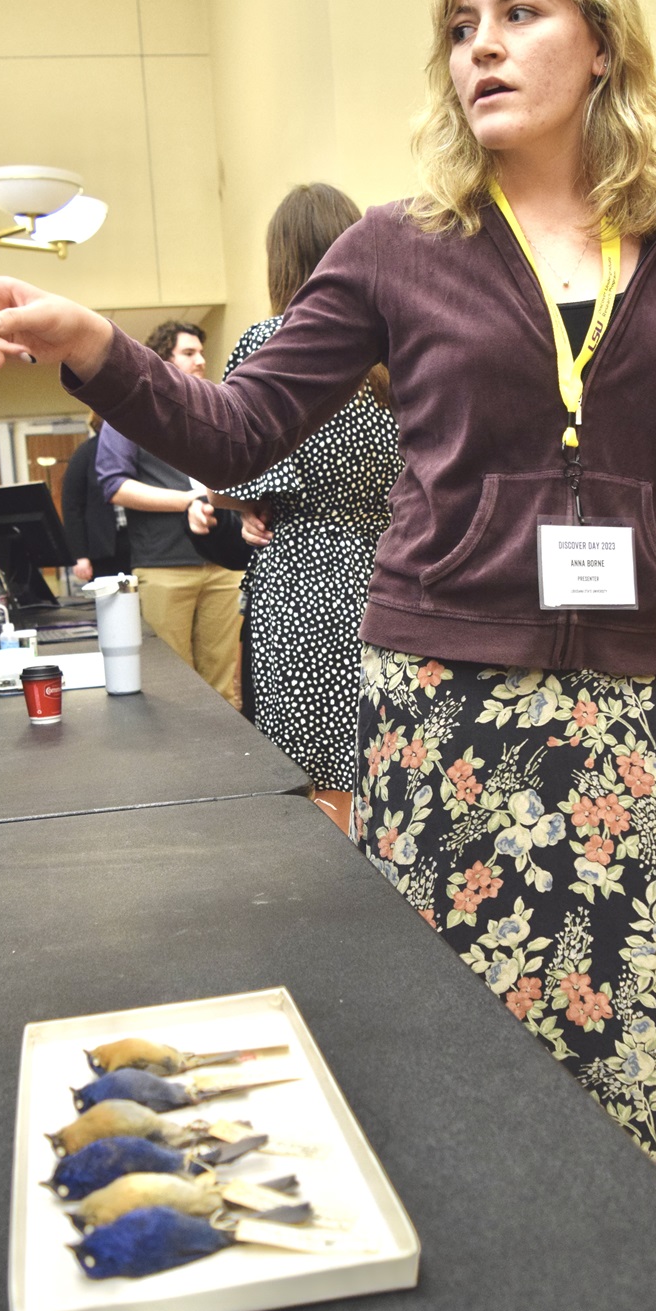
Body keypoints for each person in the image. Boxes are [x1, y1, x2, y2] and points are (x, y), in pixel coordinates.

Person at [0, 0, 656, 1216]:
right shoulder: (398, 245)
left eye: (519, 16)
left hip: (635, 707)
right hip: (451, 707)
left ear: (603, 42)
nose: (480, 50)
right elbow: (236, 428)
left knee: (631, 1049)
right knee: (455, 1046)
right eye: (460, 27)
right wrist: (98, 348)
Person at [191, 184, 401, 831]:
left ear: (281, 262)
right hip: (391, 573)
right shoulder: (394, 348)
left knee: (313, 770)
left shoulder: (272, 342)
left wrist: (231, 501)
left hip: (304, 581)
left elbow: (236, 472)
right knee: (382, 754)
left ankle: (342, 910)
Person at [93, 321, 242, 703]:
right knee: (174, 688)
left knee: (225, 685)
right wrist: (188, 501)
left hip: (223, 565)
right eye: (189, 353)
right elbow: (115, 485)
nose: (201, 361)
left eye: (201, 353)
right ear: (164, 360)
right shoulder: (130, 411)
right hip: (164, 566)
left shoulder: (214, 407)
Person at [60, 411, 131, 583]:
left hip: (138, 544)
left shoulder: (134, 450)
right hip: (102, 548)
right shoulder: (84, 454)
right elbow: (72, 507)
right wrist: (80, 556)